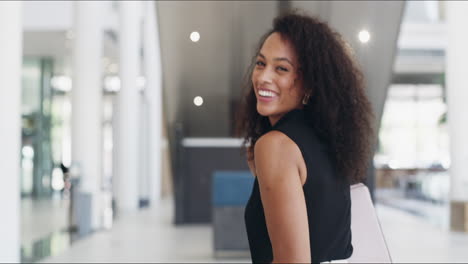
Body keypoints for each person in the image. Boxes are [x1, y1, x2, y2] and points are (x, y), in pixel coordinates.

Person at [236, 12, 374, 263]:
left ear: (310, 84)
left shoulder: (276, 146)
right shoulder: (327, 142)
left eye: (281, 68)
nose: (263, 77)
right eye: (260, 63)